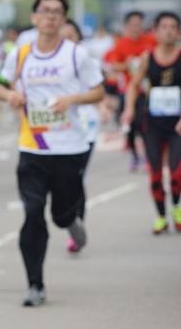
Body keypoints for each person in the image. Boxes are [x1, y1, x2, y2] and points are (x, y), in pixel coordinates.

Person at [0, 0, 105, 307]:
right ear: (35, 17)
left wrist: (72, 99)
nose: (50, 16)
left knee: (60, 214)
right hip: (33, 147)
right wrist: (10, 96)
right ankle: (35, 284)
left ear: (63, 19)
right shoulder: (21, 54)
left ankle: (70, 221)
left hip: (69, 147)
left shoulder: (76, 55)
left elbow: (98, 91)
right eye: (45, 11)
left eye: (57, 12)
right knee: (32, 213)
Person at [121, 11, 181, 234]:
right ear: (155, 31)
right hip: (153, 124)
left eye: (173, 27)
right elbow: (132, 85)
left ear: (178, 32)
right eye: (164, 27)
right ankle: (161, 217)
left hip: (177, 125)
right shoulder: (148, 57)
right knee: (155, 173)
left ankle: (177, 208)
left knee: (176, 174)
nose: (168, 31)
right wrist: (129, 109)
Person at [60, 18, 101, 253]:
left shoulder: (86, 60)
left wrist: (103, 108)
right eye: (62, 37)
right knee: (63, 181)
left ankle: (77, 227)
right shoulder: (49, 62)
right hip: (58, 129)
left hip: (86, 126)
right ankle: (70, 219)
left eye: (71, 37)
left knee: (78, 178)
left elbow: (99, 90)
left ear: (78, 38)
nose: (67, 41)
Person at [106, 11, 157, 171]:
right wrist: (126, 65)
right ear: (127, 26)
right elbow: (113, 66)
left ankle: (149, 157)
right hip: (127, 90)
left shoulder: (151, 41)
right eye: (133, 24)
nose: (136, 27)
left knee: (144, 123)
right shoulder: (121, 44)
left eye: (139, 23)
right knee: (129, 124)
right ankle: (135, 155)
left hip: (147, 91)